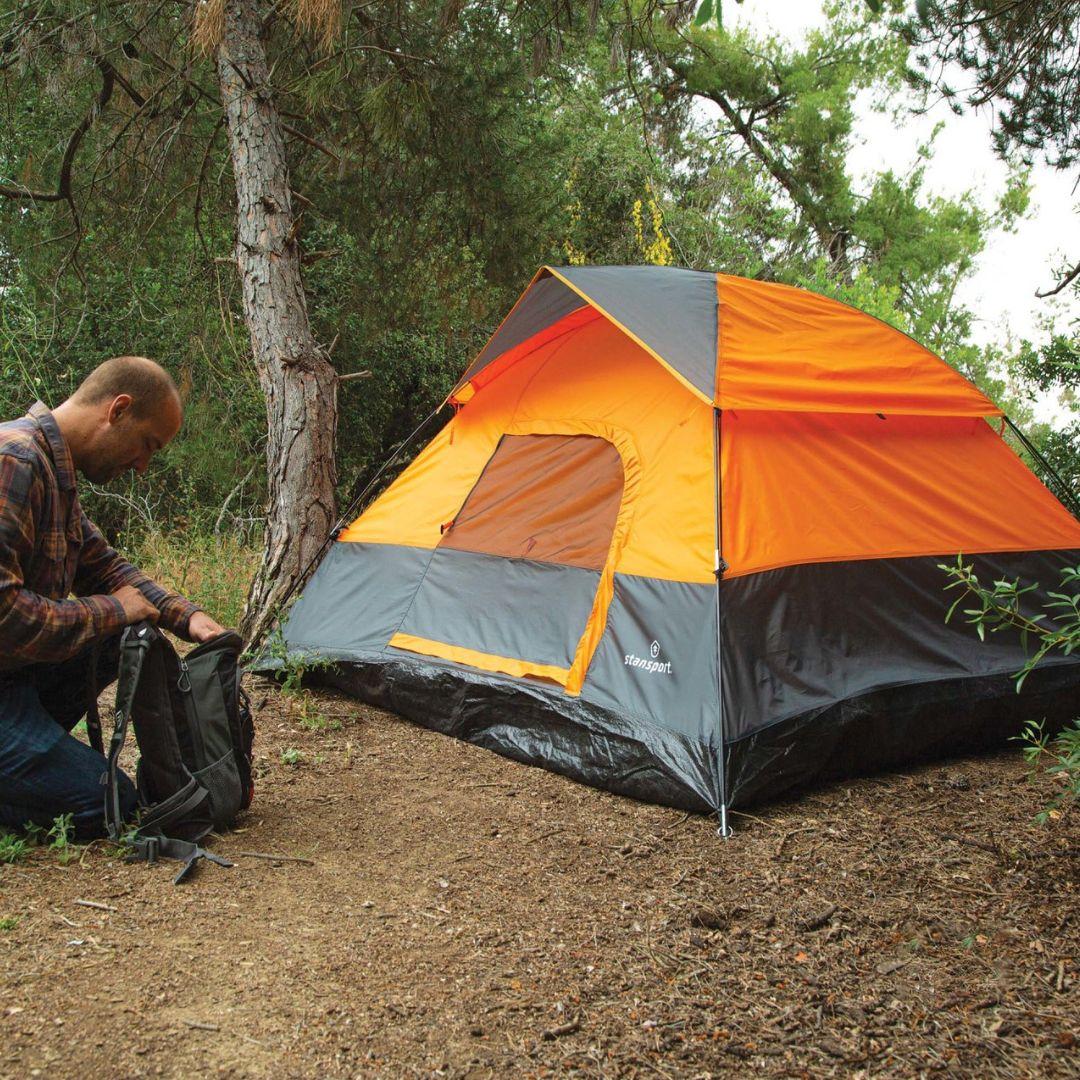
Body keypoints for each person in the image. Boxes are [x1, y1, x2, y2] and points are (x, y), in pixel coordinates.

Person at [0, 356, 225, 839]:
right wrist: (112, 609)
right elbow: (3, 616)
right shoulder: (14, 461)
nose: (143, 466)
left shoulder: (54, 472)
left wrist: (189, 619)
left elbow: (103, 567)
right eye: (147, 445)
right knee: (112, 804)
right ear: (118, 409)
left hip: (15, 683)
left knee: (126, 633)